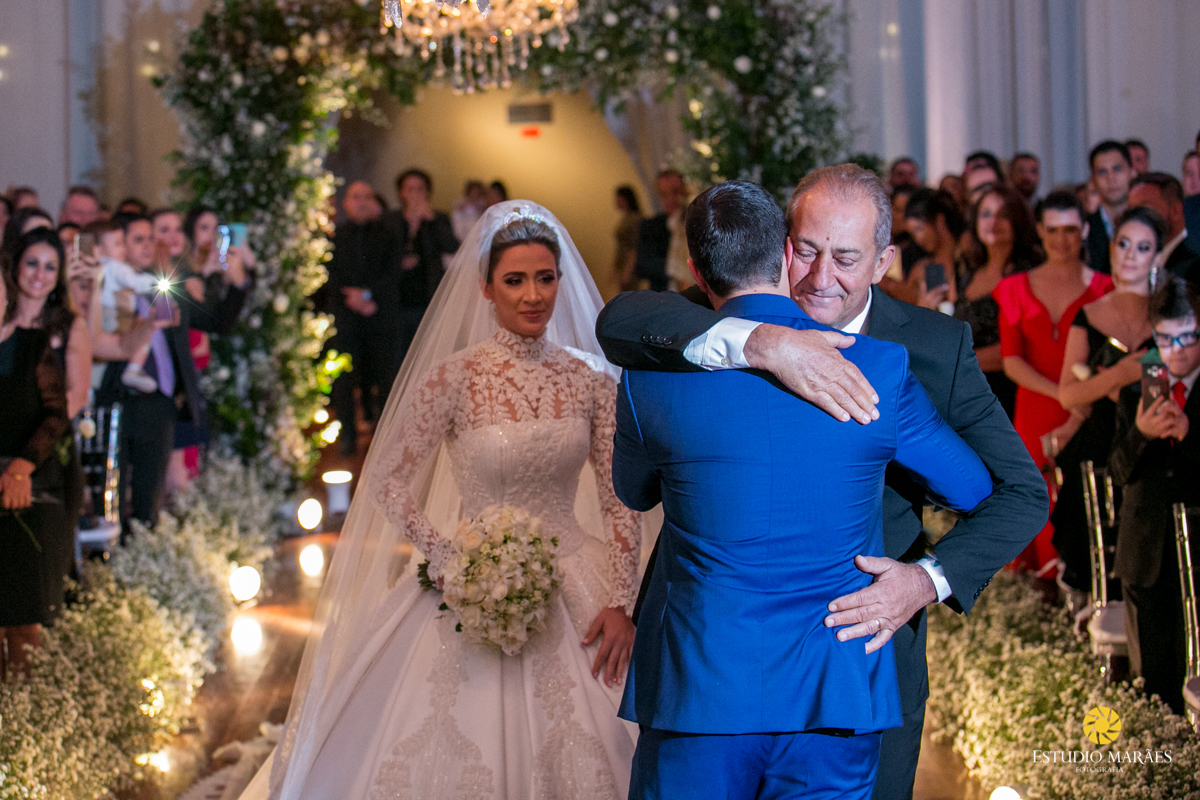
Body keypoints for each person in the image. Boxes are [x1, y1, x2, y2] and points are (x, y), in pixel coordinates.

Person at [595, 163, 1048, 800]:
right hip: (711, 666)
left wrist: (926, 580)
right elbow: (620, 319)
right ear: (783, 247)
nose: (819, 276)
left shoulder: (927, 351)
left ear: (884, 261)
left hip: (857, 657)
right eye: (806, 251)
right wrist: (764, 343)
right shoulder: (710, 321)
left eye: (845, 258)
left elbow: (1017, 493)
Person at [241, 202, 641, 800]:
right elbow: (388, 479)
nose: (533, 295)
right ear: (485, 287)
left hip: (578, 582)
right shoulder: (455, 377)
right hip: (469, 585)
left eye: (545, 278)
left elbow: (619, 498)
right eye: (515, 280)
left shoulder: (592, 379)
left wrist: (621, 603)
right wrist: (452, 558)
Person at [94, 214, 247, 526]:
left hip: (160, 404)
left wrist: (238, 284)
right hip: (119, 400)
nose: (148, 245)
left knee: (149, 503)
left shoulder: (163, 285)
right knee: (111, 500)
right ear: (121, 246)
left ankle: (146, 546)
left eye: (151, 238)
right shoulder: (107, 288)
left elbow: (217, 322)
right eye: (137, 239)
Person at [994, 190, 1113, 574]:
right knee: (1033, 511)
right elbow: (1012, 361)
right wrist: (1062, 393)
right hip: (1033, 416)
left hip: (1087, 416)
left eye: (1071, 230)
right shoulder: (1014, 288)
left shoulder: (1107, 289)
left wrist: (1076, 410)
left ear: (1085, 230)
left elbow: (1108, 364)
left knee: (1082, 512)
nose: (1062, 239)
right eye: (1053, 230)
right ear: (1040, 232)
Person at [1052, 207, 1161, 593]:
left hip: (1152, 441)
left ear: (1156, 257)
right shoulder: (1089, 314)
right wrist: (1117, 376)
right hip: (1100, 440)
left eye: (1143, 247)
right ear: (1112, 248)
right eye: (1124, 244)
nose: (1130, 255)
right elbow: (1067, 392)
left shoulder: (1169, 314)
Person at [1109, 276, 1200, 715]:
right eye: (1165, 339)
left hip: (1195, 550)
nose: (1176, 350)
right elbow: (1117, 471)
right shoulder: (1138, 391)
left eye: (1187, 337)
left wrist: (1188, 434)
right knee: (1151, 685)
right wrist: (1141, 434)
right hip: (1144, 552)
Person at [0, 268, 70, 677]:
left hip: (27, 489)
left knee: (23, 618)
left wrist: (19, 469)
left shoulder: (30, 345)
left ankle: (27, 703)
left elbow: (56, 414)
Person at [329, 181, 406, 450]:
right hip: (347, 318)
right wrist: (352, 298)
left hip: (380, 315)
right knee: (344, 378)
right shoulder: (335, 237)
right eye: (355, 197)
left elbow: (393, 272)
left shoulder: (388, 235)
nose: (361, 202)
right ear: (346, 203)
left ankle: (385, 440)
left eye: (366, 197)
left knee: (385, 378)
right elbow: (330, 275)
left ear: (373, 202)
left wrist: (369, 295)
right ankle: (347, 437)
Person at [958, 184, 1044, 418]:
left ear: (1018, 221)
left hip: (1008, 394)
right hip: (969, 393)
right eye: (986, 214)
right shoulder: (970, 273)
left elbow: (1020, 348)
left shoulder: (1027, 274)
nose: (993, 222)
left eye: (1003, 215)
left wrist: (958, 362)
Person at [386, 169, 459, 367]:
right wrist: (410, 228)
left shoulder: (438, 218)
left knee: (430, 357)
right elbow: (383, 254)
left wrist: (431, 220)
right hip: (398, 300)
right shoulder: (391, 220)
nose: (415, 194)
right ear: (401, 193)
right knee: (399, 357)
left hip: (429, 296)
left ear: (427, 192)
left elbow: (452, 246)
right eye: (409, 189)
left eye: (420, 189)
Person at [89, 218, 161, 393]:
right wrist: (157, 283)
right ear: (99, 250)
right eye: (118, 244)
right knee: (142, 336)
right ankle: (133, 369)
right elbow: (133, 282)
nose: (123, 248)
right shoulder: (115, 267)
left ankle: (90, 389)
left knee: (98, 360)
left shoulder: (100, 267)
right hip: (113, 315)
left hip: (112, 315)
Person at [901, 187, 967, 313]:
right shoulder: (922, 270)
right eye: (913, 234)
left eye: (919, 229)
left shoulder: (968, 257)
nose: (917, 239)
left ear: (939, 221)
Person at [1128, 171, 1200, 281]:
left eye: (1145, 209)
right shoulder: (1133, 261)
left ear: (1176, 211)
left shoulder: (1194, 267)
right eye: (1131, 211)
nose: (1135, 218)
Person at [634, 171, 688, 292]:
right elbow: (643, 266)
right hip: (664, 294)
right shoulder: (651, 226)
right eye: (664, 194)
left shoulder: (694, 222)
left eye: (676, 192)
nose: (671, 199)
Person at [1086, 140, 1135, 275]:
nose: (1111, 178)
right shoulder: (1084, 229)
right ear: (1093, 180)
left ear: (1132, 172)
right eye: (1102, 172)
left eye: (1117, 169)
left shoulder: (1149, 225)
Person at [613, 185, 642, 294]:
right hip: (622, 264)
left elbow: (634, 246)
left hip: (629, 266)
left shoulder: (633, 219)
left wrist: (627, 270)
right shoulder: (625, 218)